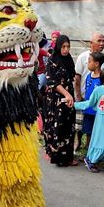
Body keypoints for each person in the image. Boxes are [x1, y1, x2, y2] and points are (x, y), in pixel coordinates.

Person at [43, 35, 78, 167]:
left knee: (68, 126)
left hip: (68, 98)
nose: (66, 50)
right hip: (56, 99)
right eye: (63, 47)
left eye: (68, 47)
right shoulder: (52, 60)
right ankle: (57, 157)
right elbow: (52, 81)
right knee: (57, 127)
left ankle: (68, 157)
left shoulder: (68, 60)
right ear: (58, 46)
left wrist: (71, 95)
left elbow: (72, 78)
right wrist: (66, 94)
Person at [74, 32, 104, 150]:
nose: (102, 44)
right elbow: (77, 77)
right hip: (84, 96)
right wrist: (78, 95)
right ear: (91, 43)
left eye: (103, 41)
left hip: (98, 102)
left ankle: (90, 146)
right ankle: (78, 142)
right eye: (99, 41)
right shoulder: (83, 57)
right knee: (79, 124)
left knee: (93, 125)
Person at [80, 52, 104, 150]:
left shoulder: (103, 79)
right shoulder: (88, 76)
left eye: (89, 61)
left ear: (97, 64)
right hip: (88, 109)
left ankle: (98, 151)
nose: (87, 63)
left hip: (98, 112)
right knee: (88, 131)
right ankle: (89, 150)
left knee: (98, 132)